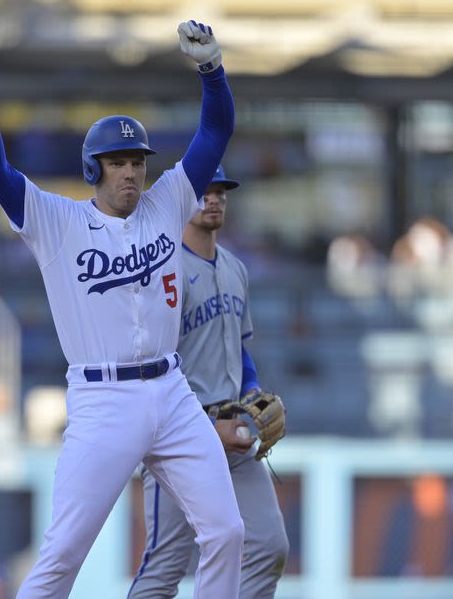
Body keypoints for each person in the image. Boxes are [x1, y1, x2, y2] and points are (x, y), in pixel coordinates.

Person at [0, 21, 244, 598]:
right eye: (117, 162)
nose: (132, 171)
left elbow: (216, 131)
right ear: (94, 169)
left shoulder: (167, 202)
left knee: (227, 530)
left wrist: (213, 71)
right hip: (102, 399)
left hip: (171, 390)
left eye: (137, 160)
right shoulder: (58, 221)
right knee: (61, 558)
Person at [129, 167, 290, 598]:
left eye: (221, 191)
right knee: (165, 564)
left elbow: (239, 348)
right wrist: (200, 428)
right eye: (205, 191)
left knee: (269, 546)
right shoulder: (163, 270)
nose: (214, 198)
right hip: (178, 433)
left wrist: (252, 391)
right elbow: (150, 362)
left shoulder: (235, 267)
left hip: (233, 430)